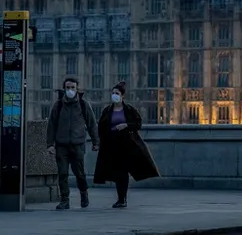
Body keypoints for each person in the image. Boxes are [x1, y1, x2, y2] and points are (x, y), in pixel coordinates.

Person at [93, 81, 160, 208]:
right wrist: (100, 142)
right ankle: (121, 198)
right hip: (112, 145)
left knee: (123, 172)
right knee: (117, 172)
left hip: (127, 144)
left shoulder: (129, 109)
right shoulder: (107, 110)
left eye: (116, 93)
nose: (114, 95)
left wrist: (126, 125)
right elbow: (101, 127)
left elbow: (138, 124)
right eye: (112, 93)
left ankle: (122, 199)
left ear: (122, 96)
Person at [46, 76, 100, 210]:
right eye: (68, 88)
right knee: (63, 173)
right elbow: (51, 125)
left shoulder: (83, 104)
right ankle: (65, 200)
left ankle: (84, 194)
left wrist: (95, 142)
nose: (70, 90)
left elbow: (92, 124)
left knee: (79, 173)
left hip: (77, 145)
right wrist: (50, 144)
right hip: (62, 145)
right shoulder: (58, 105)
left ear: (77, 89)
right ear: (64, 89)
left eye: (72, 88)